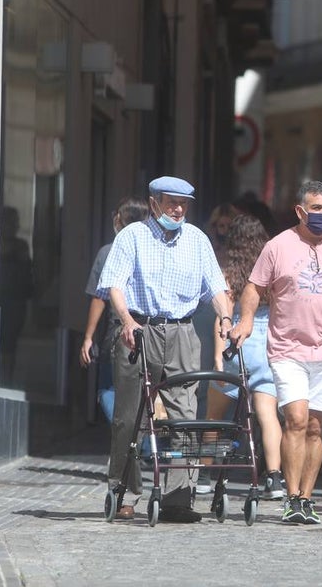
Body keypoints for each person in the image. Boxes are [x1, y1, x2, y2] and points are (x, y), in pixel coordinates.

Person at [232, 180, 322, 526]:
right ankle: (292, 497)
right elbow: (254, 288)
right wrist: (246, 320)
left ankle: (307, 498)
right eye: (317, 209)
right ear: (300, 211)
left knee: (315, 426)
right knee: (295, 419)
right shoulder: (278, 247)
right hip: (287, 348)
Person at [98, 176, 233, 523]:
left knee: (186, 416)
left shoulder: (197, 240)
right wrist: (127, 320)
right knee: (130, 417)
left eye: (183, 204)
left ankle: (177, 499)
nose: (177, 209)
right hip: (140, 329)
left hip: (183, 333)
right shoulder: (132, 237)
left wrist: (226, 316)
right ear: (154, 202)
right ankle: (124, 493)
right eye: (171, 202)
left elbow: (216, 286)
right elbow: (114, 284)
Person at [200, 213, 285, 501]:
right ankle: (274, 477)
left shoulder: (231, 272)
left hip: (238, 340)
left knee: (215, 414)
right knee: (267, 414)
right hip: (267, 344)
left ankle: (204, 475)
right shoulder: (273, 270)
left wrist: (217, 356)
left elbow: (223, 317)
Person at [80, 196, 150, 422]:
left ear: (119, 220)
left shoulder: (108, 252)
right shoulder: (155, 250)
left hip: (119, 331)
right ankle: (142, 443)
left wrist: (89, 337)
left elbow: (99, 298)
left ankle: (135, 443)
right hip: (154, 331)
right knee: (146, 391)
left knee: (108, 390)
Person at [0, 206, 34, 385]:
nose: (15, 226)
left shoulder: (21, 246)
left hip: (15, 301)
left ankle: (6, 380)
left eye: (15, 222)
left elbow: (27, 272)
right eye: (11, 222)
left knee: (10, 344)